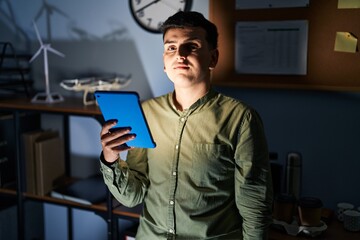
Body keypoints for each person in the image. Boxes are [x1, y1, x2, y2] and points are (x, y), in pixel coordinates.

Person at [99, 11, 273, 240]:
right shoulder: (145, 113)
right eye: (171, 47)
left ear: (213, 58)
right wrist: (110, 158)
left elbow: (254, 203)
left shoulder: (241, 118)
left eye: (191, 46)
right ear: (164, 61)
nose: (179, 54)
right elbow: (133, 196)